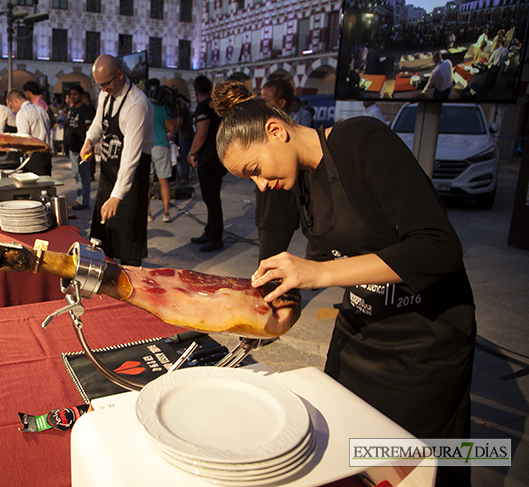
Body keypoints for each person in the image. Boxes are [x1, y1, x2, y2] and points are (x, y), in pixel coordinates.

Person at [211, 81, 475, 486]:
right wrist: (285, 298)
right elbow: (330, 257)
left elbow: (439, 248)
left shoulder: (363, 141)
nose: (260, 185)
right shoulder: (302, 181)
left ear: (276, 131)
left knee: (412, 465)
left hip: (424, 340)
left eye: (255, 170)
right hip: (360, 333)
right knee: (348, 452)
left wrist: (318, 274)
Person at [80, 54, 154, 266]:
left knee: (128, 233)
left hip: (133, 175)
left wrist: (117, 195)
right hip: (109, 171)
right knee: (103, 232)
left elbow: (131, 156)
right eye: (99, 86)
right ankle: (105, 274)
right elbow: (98, 122)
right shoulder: (105, 94)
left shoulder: (136, 104)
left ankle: (130, 281)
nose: (103, 90)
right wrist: (89, 141)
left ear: (119, 75)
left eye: (105, 84)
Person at [256, 79, 300, 261]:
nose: (261, 105)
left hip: (281, 209)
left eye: (267, 100)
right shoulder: (265, 131)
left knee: (268, 264)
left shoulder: (287, 135)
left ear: (281, 103)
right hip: (266, 207)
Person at [188, 75, 226, 252]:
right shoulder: (216, 106)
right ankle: (210, 231)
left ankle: (215, 237)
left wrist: (192, 152)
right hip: (218, 156)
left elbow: (201, 133)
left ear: (196, 91)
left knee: (211, 200)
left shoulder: (204, 106)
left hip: (208, 158)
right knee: (212, 198)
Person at [146, 79, 175, 223]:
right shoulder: (164, 108)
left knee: (147, 182)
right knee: (164, 181)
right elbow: (172, 129)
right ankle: (166, 212)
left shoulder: (145, 106)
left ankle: (148, 213)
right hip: (161, 146)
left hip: (146, 146)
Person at [6, 89, 52, 176]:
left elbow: (23, 138)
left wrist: (11, 148)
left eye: (11, 106)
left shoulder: (22, 113)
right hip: (46, 156)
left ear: (15, 101)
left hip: (33, 157)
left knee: (34, 188)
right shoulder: (41, 110)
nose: (12, 110)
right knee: (45, 186)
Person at [66, 85, 96, 210]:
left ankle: (85, 201)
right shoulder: (72, 110)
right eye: (71, 94)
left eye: (75, 94)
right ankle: (79, 199)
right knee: (76, 174)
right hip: (73, 148)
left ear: (81, 95)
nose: (73, 97)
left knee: (84, 175)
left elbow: (90, 129)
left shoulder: (86, 109)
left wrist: (89, 146)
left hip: (82, 148)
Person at [171, 96, 194, 184]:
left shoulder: (181, 110)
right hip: (187, 135)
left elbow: (180, 122)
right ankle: (184, 175)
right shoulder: (184, 109)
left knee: (184, 157)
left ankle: (185, 177)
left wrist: (173, 132)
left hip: (185, 136)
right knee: (184, 156)